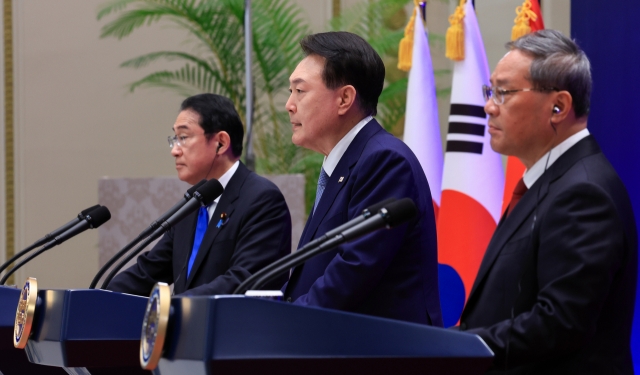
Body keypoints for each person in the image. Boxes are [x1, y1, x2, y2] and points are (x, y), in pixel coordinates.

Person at [459, 30, 637, 374]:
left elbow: (560, 325)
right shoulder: (551, 181)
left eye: (504, 93)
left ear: (559, 107)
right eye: (490, 90)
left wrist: (460, 348)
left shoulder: (584, 193)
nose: (489, 106)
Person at [281, 31, 442, 326]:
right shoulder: (344, 162)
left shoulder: (384, 161)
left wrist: (285, 321)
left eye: (300, 91)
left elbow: (352, 269)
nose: (289, 105)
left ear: (344, 98)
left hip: (381, 352)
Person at [107, 93, 291, 296]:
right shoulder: (193, 204)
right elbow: (148, 271)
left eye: (183, 138)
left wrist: (172, 308)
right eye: (174, 139)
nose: (175, 151)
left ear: (220, 142)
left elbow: (243, 280)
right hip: (189, 326)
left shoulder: (261, 199)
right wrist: (98, 297)